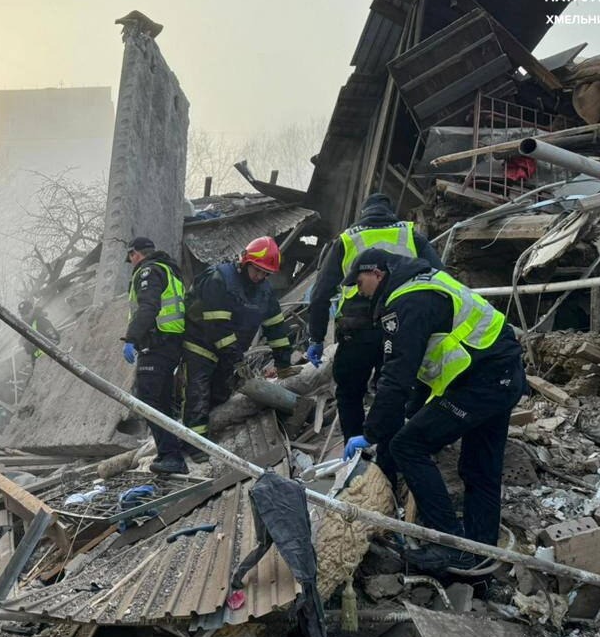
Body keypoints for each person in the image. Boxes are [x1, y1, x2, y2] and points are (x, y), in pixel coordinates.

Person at [340, 250, 526, 575]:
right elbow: (426, 366)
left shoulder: (406, 302)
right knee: (480, 469)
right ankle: (479, 555)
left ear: (377, 273)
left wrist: (370, 433)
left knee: (406, 445)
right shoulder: (425, 284)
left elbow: (397, 375)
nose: (359, 290)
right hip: (502, 375)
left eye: (359, 281)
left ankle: (448, 544)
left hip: (481, 382)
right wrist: (412, 412)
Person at [305, 193, 446, 441]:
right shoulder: (410, 234)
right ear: (390, 212)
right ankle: (388, 448)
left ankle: (355, 448)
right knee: (393, 390)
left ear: (363, 213)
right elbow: (440, 276)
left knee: (349, 393)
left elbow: (320, 295)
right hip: (401, 323)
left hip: (356, 329)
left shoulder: (346, 239)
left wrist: (316, 337)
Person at [180, 236, 292, 464]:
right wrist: (237, 360)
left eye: (265, 273)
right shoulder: (219, 279)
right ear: (245, 262)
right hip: (200, 344)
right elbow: (217, 326)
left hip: (229, 351)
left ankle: (210, 432)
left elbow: (276, 327)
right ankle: (194, 444)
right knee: (198, 393)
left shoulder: (265, 292)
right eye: (257, 270)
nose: (260, 277)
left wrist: (284, 363)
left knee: (221, 394)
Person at [120, 236, 188, 475]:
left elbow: (149, 306)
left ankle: (171, 456)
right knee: (162, 401)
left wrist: (132, 338)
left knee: (148, 400)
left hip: (157, 344)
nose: (131, 262)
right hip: (171, 343)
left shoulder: (148, 272)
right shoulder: (169, 270)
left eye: (130, 257)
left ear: (135, 254)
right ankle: (170, 452)